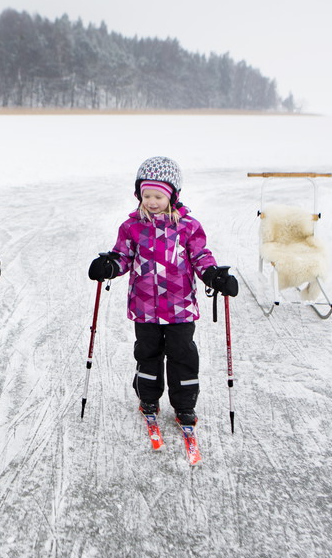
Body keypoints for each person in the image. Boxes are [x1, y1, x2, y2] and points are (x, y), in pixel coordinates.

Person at [87, 156, 237, 425]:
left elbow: (201, 256)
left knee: (183, 355)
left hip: (180, 308)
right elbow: (123, 256)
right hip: (144, 308)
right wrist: (109, 266)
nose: (152, 202)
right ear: (139, 195)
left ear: (172, 196)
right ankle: (148, 398)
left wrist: (214, 276)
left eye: (158, 195)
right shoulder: (131, 227)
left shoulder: (188, 227)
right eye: (147, 195)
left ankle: (184, 405)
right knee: (147, 354)